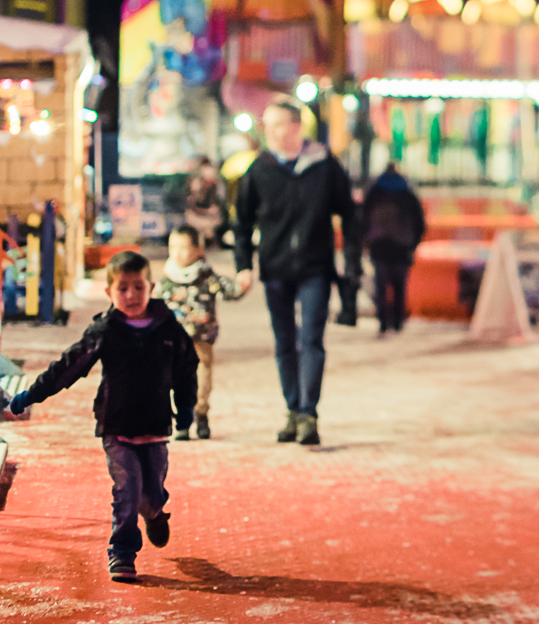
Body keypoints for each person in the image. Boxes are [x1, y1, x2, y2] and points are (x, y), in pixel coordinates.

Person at [8, 251, 197, 582]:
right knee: (127, 488)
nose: (131, 295)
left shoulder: (169, 329)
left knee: (150, 493)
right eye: (122, 288)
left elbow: (187, 368)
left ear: (150, 287)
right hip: (116, 426)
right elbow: (70, 366)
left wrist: (186, 409)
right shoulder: (105, 330)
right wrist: (33, 395)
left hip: (155, 427)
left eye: (138, 287)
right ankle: (122, 551)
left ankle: (154, 512)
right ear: (109, 293)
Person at [234, 99, 362, 446]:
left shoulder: (324, 166)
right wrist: (243, 266)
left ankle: (308, 413)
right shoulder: (259, 169)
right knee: (284, 342)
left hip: (315, 266)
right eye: (267, 125)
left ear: (295, 127)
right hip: (275, 268)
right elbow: (242, 222)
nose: (268, 131)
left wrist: (351, 263)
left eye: (276, 125)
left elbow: (350, 216)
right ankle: (292, 409)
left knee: (311, 340)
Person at [156, 225, 243, 439]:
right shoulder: (167, 279)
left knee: (203, 371)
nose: (177, 252)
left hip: (201, 335)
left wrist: (243, 283)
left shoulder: (206, 276)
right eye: (173, 247)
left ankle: (201, 411)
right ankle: (183, 420)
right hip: (174, 339)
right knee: (175, 376)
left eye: (184, 247)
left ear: (197, 250)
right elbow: (153, 304)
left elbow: (230, 289)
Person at [363, 163, 426, 336]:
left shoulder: (374, 193)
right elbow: (420, 222)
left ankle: (383, 322)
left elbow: (362, 218)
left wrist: (367, 241)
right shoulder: (408, 194)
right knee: (400, 287)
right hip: (402, 246)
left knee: (381, 286)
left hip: (380, 245)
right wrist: (413, 244)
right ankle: (397, 322)